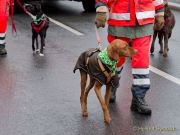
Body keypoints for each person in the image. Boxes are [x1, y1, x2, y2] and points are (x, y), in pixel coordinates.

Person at [95, 0, 164, 115]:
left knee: (141, 61)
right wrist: (101, 8)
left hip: (144, 21)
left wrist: (160, 12)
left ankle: (139, 98)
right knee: (116, 59)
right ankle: (112, 85)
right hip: (120, 20)